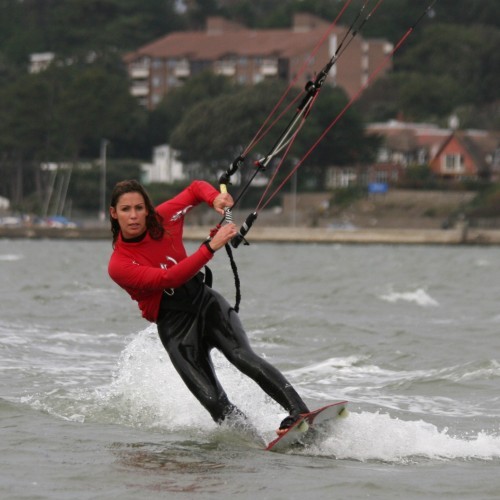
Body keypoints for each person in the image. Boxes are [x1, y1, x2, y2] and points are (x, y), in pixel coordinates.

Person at [108, 179, 309, 434]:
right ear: (114, 213)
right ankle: (251, 439)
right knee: (213, 401)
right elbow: (167, 278)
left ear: (147, 209)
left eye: (139, 208)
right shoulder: (119, 264)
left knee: (241, 356)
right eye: (126, 209)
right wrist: (211, 247)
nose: (134, 215)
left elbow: (194, 189)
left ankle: (299, 411)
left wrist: (214, 198)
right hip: (175, 326)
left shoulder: (163, 218)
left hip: (205, 302)